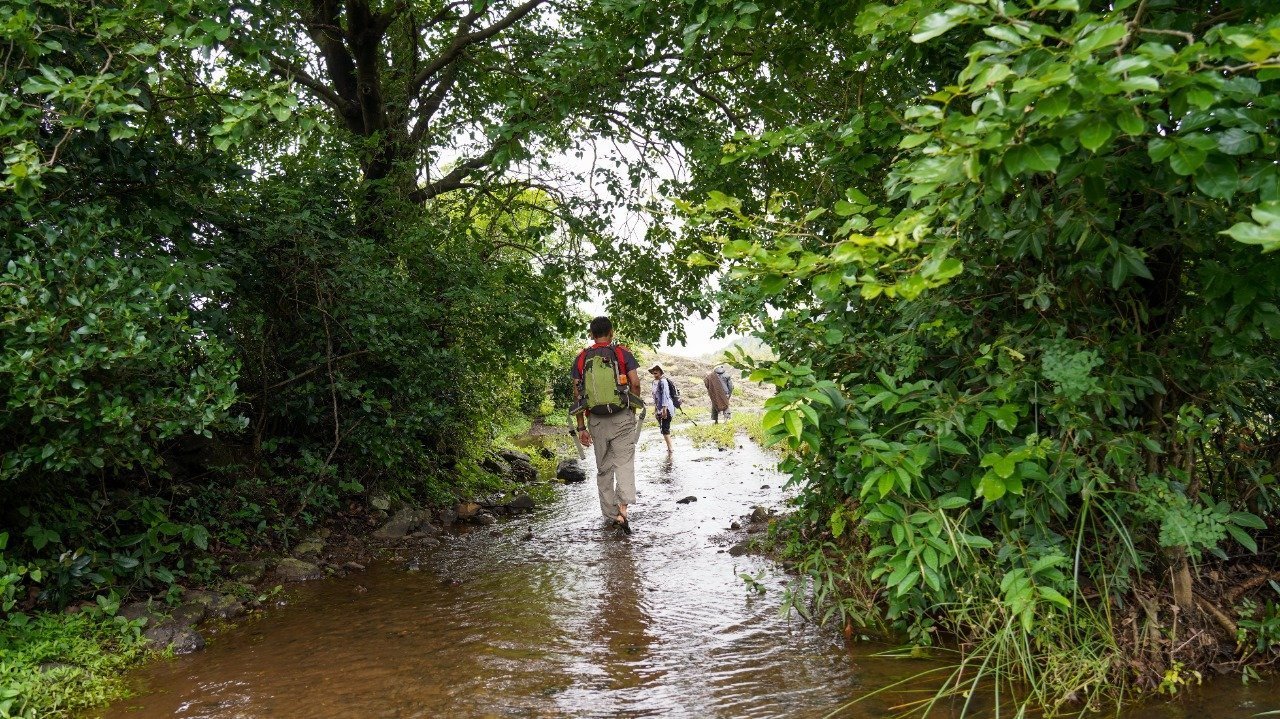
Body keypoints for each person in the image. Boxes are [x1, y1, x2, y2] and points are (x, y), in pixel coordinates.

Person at [571, 316, 642, 534]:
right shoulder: (621, 353)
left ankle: (610, 516)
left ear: (591, 334)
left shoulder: (582, 359)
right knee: (624, 464)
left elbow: (578, 396)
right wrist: (631, 411)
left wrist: (581, 427)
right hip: (622, 417)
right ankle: (623, 512)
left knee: (603, 469)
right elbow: (636, 383)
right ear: (611, 332)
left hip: (596, 421)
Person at [648, 364, 676, 454]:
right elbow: (655, 397)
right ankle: (669, 447)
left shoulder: (663, 381)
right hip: (659, 408)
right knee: (663, 428)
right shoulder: (653, 382)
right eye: (653, 369)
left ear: (660, 371)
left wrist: (664, 409)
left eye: (657, 369)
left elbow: (665, 395)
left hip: (666, 407)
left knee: (665, 428)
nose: (655, 371)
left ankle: (671, 449)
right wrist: (655, 409)